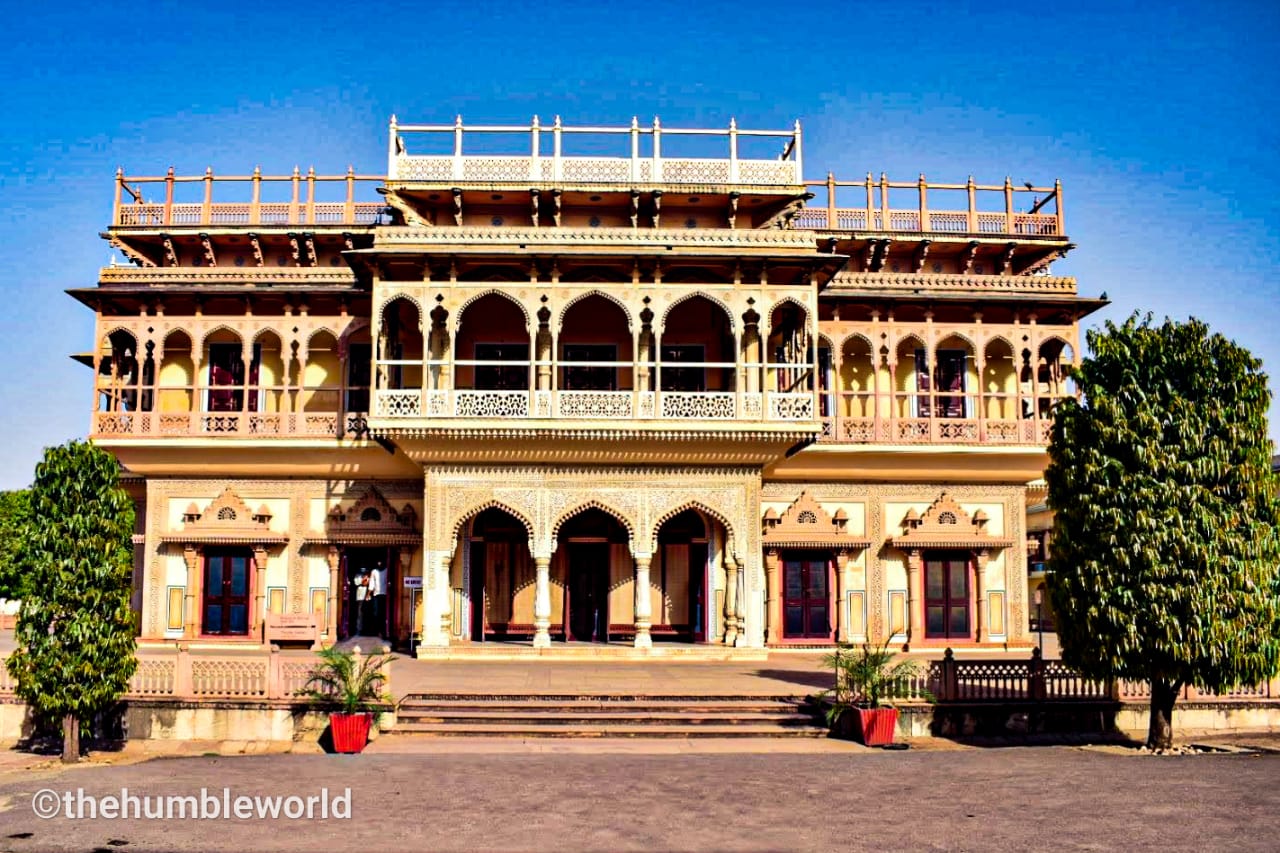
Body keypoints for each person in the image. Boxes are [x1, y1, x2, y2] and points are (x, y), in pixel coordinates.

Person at [370, 560, 389, 639]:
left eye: (380, 562)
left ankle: (384, 631)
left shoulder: (387, 570)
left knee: (384, 613)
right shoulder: (374, 571)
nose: (379, 563)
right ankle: (378, 631)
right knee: (376, 613)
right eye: (378, 562)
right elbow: (371, 583)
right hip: (376, 594)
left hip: (385, 594)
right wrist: (368, 594)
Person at [353, 566, 371, 635]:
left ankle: (367, 629)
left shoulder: (369, 576)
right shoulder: (357, 575)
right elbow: (358, 583)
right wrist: (364, 580)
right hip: (360, 596)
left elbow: (368, 583)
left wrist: (365, 580)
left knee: (367, 613)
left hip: (367, 596)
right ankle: (359, 629)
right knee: (359, 613)